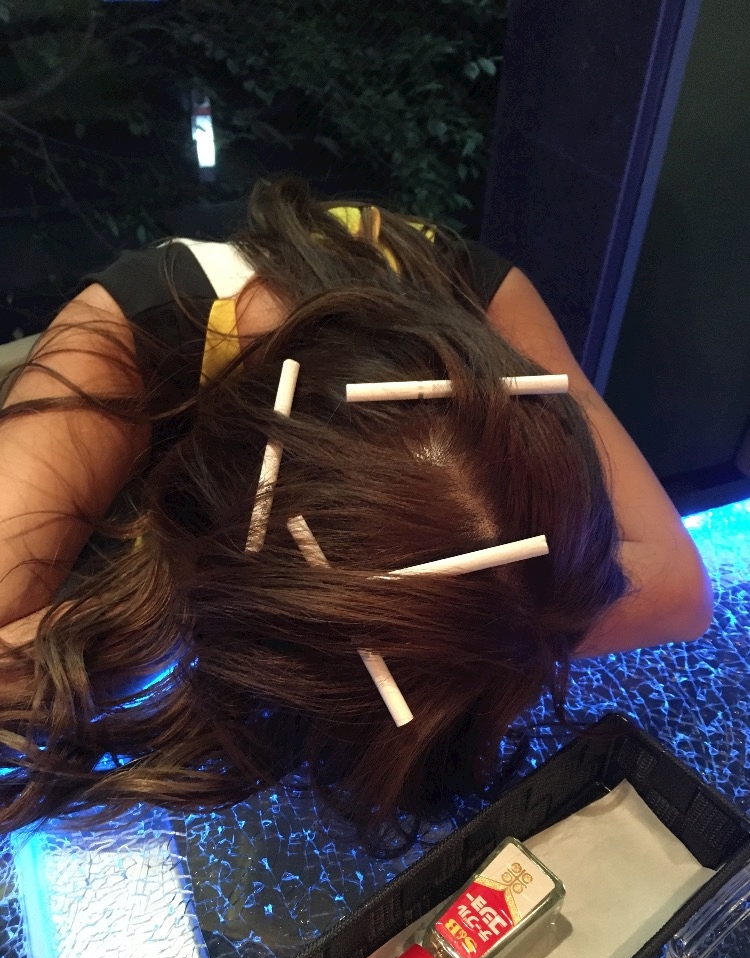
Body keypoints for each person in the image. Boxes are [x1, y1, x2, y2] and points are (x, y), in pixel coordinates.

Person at [0, 176, 712, 845]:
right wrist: (183, 613)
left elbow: (680, 590)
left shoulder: (488, 307)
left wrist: (472, 631)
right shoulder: (130, 337)